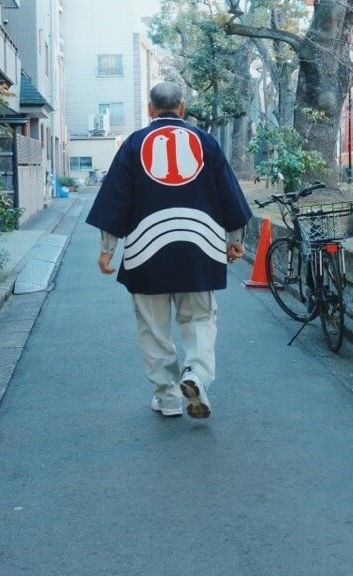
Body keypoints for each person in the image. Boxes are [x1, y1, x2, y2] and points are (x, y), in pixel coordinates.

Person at [86, 82, 252, 419]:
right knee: (200, 319)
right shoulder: (206, 143)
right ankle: (195, 375)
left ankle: (168, 397)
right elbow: (229, 194)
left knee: (153, 326)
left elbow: (117, 198)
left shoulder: (133, 144)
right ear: (183, 107)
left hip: (146, 250)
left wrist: (107, 249)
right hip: (200, 247)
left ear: (150, 109)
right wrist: (234, 238)